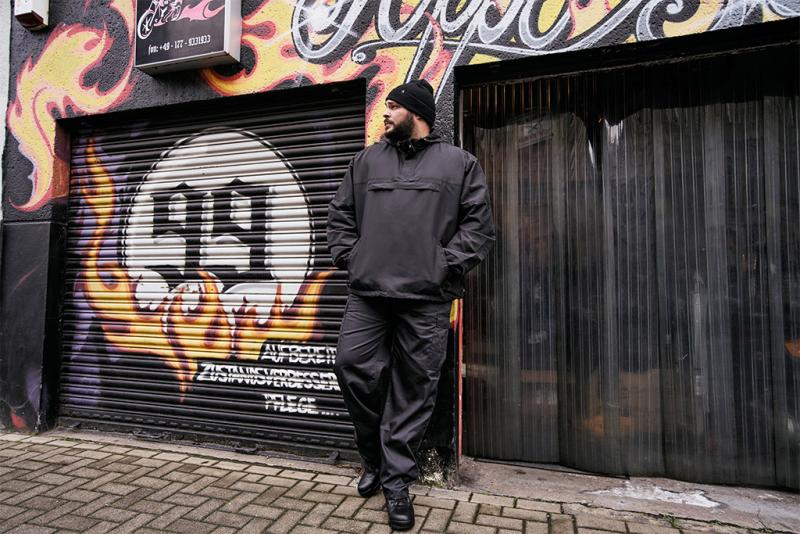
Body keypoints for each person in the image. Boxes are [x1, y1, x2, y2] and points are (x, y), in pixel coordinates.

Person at [326, 79, 495, 530]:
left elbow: (478, 227)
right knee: (352, 367)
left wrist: (441, 265)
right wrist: (353, 257)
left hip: (426, 299)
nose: (385, 113)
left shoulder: (459, 164)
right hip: (369, 294)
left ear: (416, 113)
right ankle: (374, 457)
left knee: (415, 388)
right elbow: (340, 216)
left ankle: (396, 481)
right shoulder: (365, 161)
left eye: (393, 106)